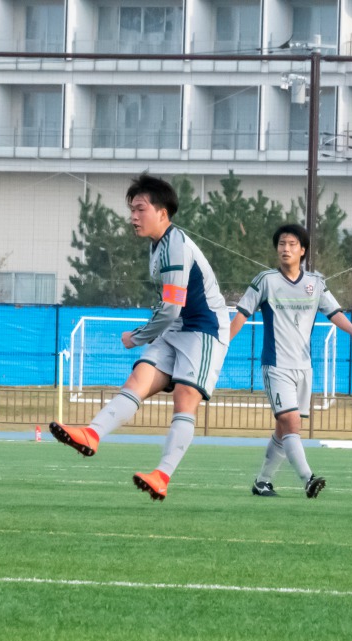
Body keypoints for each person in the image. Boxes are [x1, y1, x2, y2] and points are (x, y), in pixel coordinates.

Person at [49, 174, 232, 501]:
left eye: (140, 209)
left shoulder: (176, 245)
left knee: (185, 398)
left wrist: (138, 336)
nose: (133, 217)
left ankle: (162, 475)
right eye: (132, 210)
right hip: (177, 326)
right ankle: (92, 434)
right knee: (138, 379)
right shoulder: (157, 246)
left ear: (162, 212)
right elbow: (171, 308)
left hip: (204, 328)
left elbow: (172, 308)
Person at [229, 223, 352, 499]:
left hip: (304, 367)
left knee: (286, 428)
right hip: (276, 365)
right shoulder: (266, 280)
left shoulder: (315, 283)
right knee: (290, 423)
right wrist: (223, 344)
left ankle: (262, 482)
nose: (286, 249)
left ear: (302, 250)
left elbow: (333, 311)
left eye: (292, 244)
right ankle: (308, 479)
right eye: (282, 244)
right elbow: (242, 314)